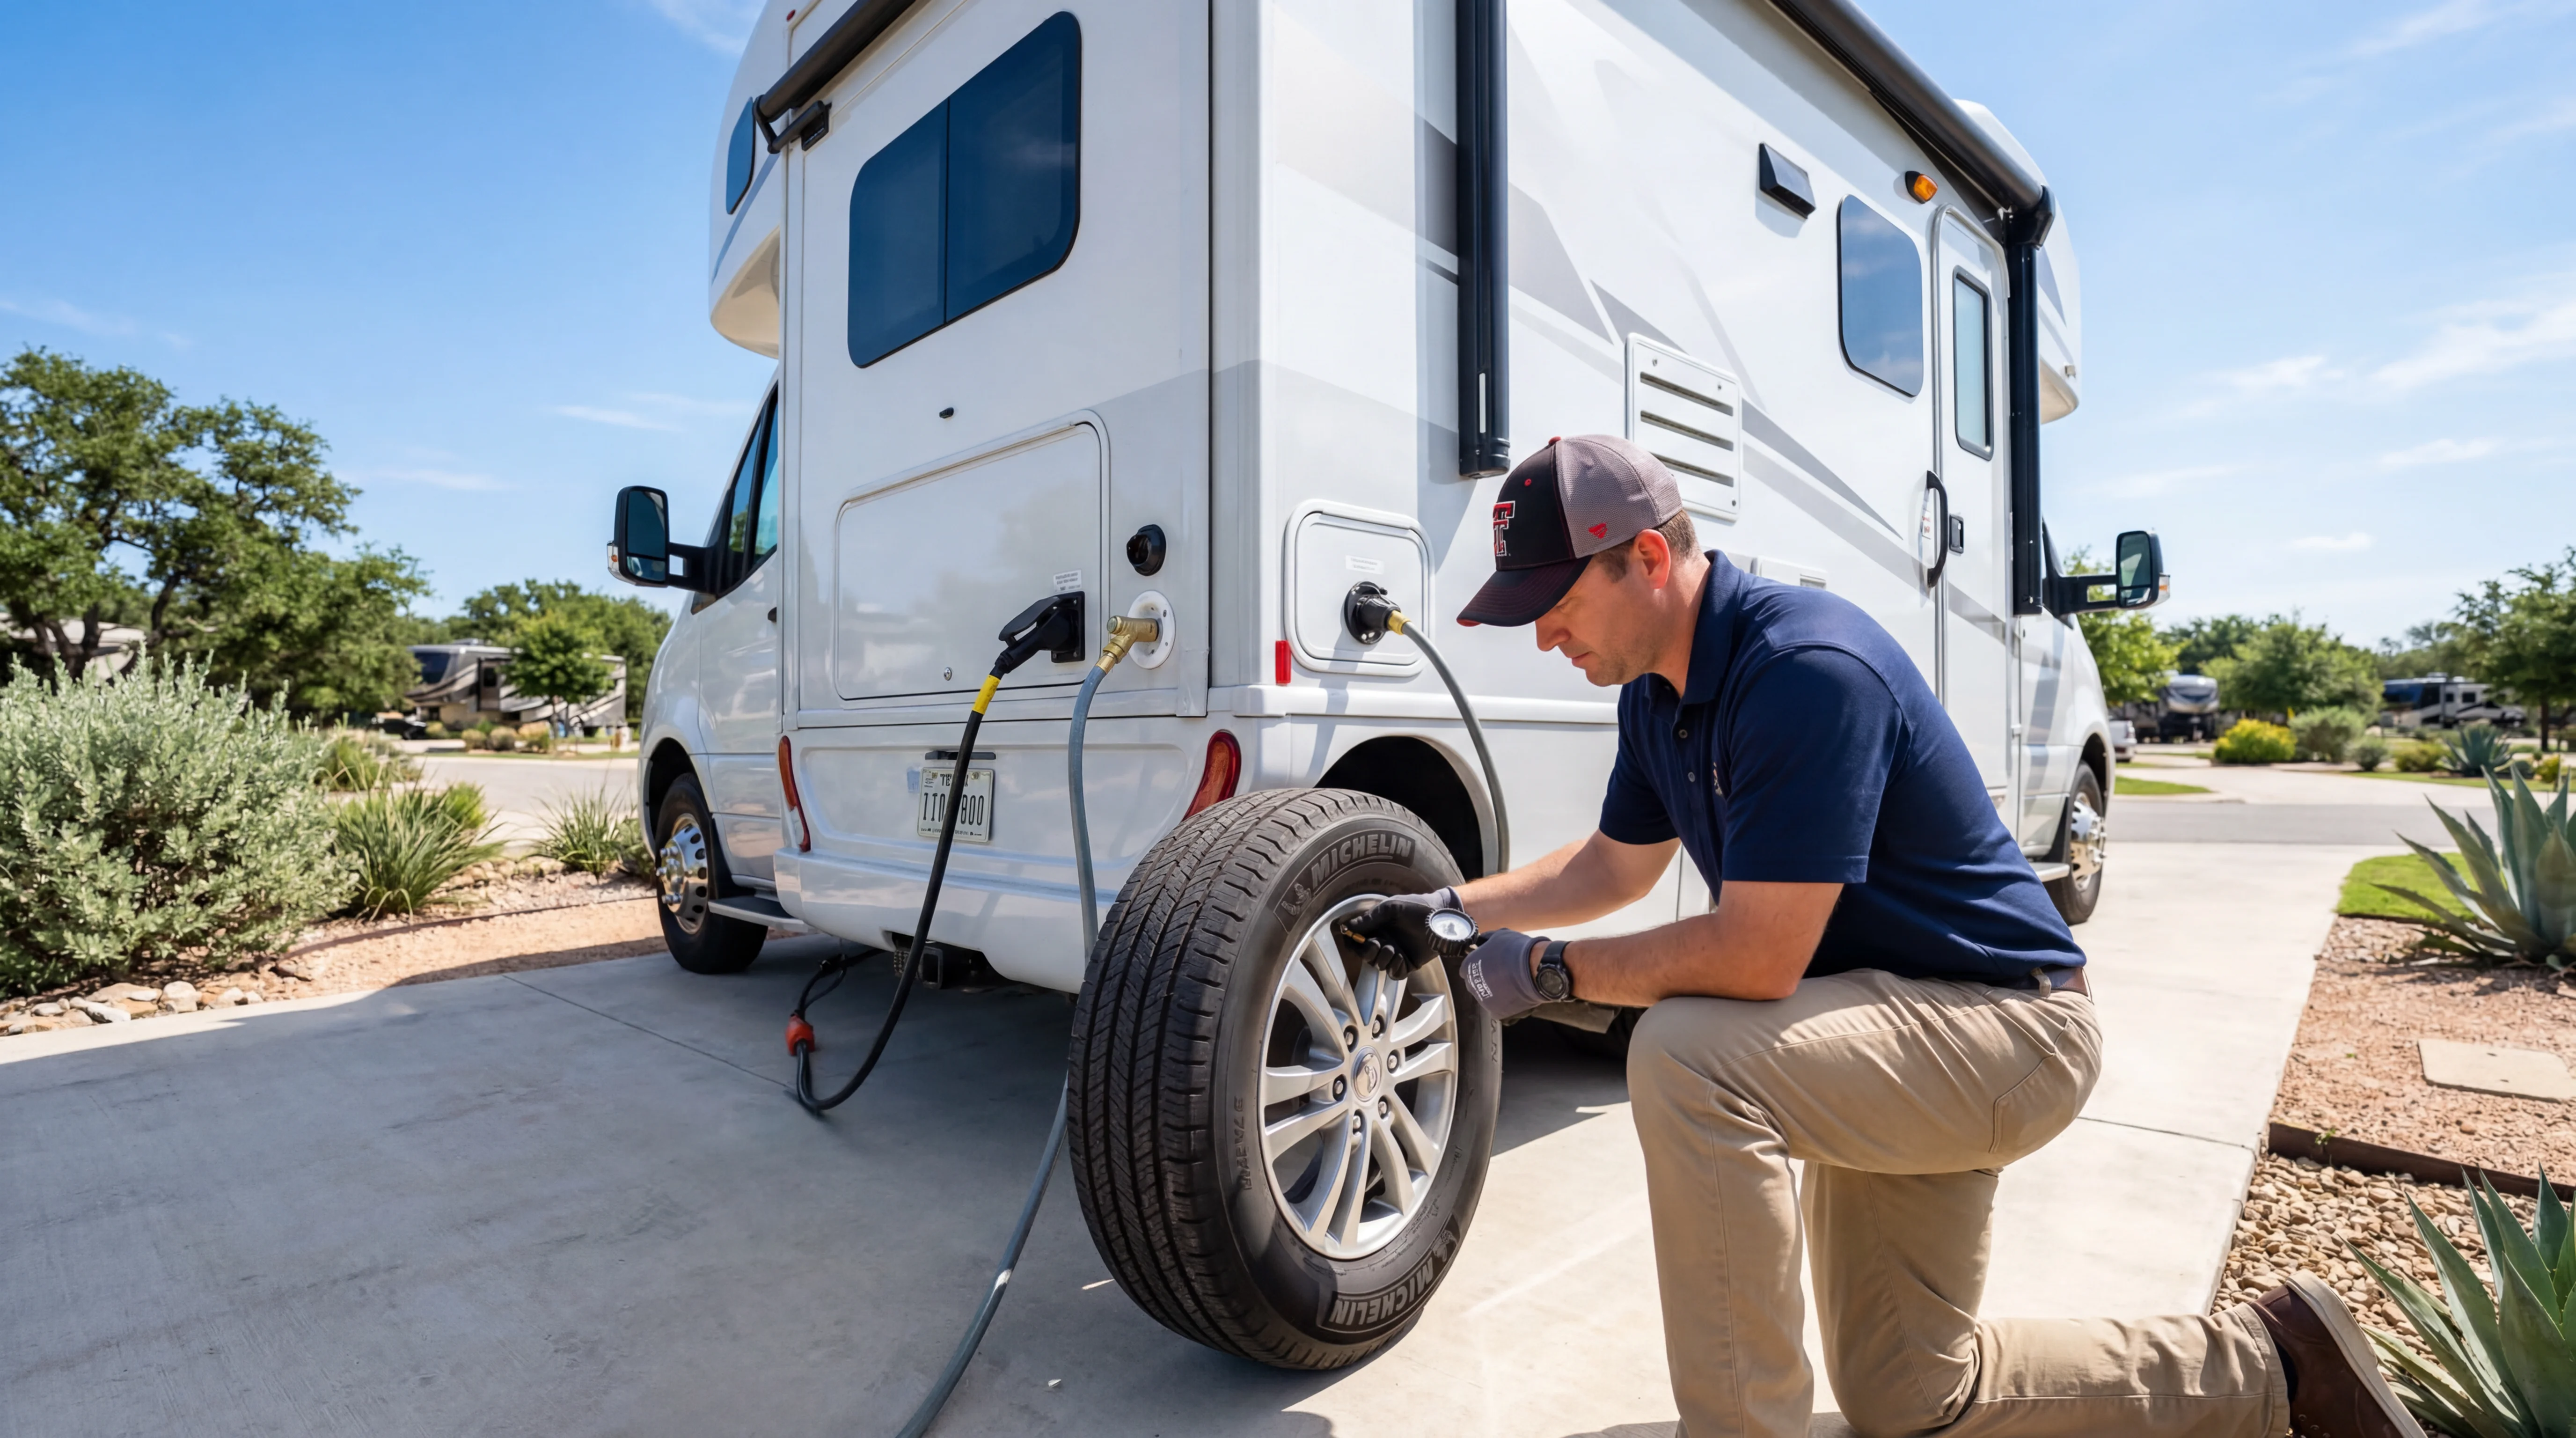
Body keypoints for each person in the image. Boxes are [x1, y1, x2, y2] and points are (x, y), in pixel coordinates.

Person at [1347, 435, 2419, 1438]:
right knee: (1912, 1393)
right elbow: (1610, 868)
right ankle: (2275, 1360)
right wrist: (1452, 913)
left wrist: (1543, 971)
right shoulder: (1658, 696)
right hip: (1884, 1025)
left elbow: (1757, 957)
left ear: (1649, 556)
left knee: (1685, 1058)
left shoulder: (1805, 669)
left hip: (2008, 1032)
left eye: (1555, 601)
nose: (1543, 634)